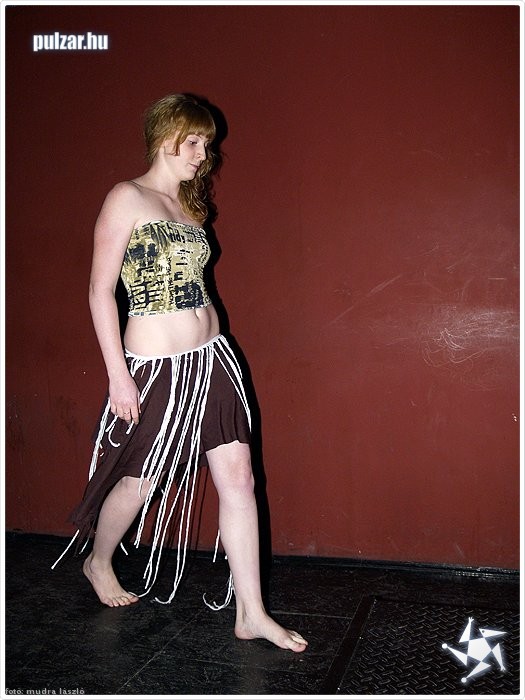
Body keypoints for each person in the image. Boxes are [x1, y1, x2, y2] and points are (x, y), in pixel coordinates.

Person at [53, 94, 308, 653]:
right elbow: (99, 291)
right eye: (194, 141)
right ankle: (98, 560)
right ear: (164, 136)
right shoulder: (127, 197)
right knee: (140, 482)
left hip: (214, 358)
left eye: (206, 144)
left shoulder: (190, 207)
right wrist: (118, 376)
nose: (203, 154)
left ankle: (252, 612)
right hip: (155, 367)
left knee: (239, 479)